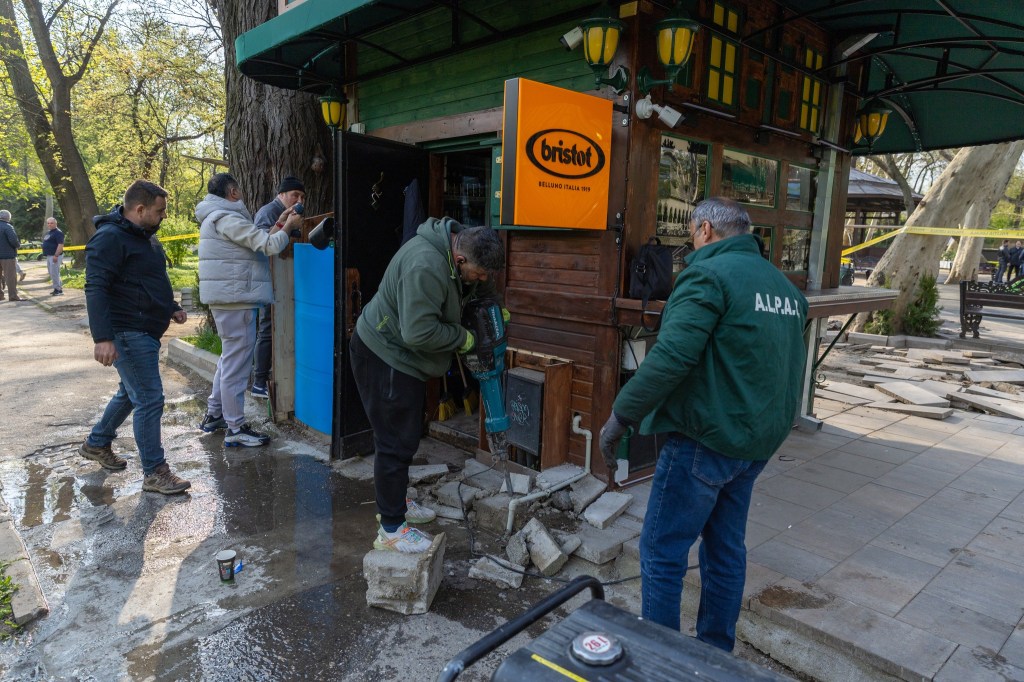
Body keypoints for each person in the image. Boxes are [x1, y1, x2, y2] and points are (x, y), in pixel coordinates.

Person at [599, 197, 808, 652]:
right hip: (754, 444)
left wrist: (621, 416)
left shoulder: (708, 275)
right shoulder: (785, 289)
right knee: (725, 551)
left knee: (662, 550)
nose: (691, 242)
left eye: (692, 233)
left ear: (706, 230)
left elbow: (672, 356)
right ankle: (715, 656)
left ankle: (662, 660)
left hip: (705, 439)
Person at [351, 218, 505, 552]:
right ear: (460, 260)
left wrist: (494, 310)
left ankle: (397, 502)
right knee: (394, 441)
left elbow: (482, 290)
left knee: (406, 436)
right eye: (479, 274)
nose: (482, 279)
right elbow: (418, 332)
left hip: (405, 357)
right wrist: (463, 338)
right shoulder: (425, 265)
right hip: (386, 354)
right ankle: (391, 529)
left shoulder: (463, 250)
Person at [79, 180, 191, 494]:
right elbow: (96, 287)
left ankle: (97, 442)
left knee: (131, 393)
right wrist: (103, 338)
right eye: (160, 210)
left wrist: (171, 306)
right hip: (128, 330)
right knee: (149, 398)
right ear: (140, 209)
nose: (164, 216)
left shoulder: (145, 236)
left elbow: (150, 278)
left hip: (145, 329)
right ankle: (155, 472)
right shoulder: (110, 238)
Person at [196, 173, 302, 447]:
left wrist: (280, 223)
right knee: (237, 366)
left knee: (228, 360)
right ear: (233, 192)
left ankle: (215, 415)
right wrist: (289, 227)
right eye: (239, 189)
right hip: (237, 301)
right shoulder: (227, 219)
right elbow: (269, 246)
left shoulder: (216, 218)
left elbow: (259, 241)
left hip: (230, 300)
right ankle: (235, 428)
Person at [251, 176, 306, 399]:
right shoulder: (268, 212)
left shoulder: (289, 213)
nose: (299, 201)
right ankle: (259, 382)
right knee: (267, 328)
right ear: (281, 194)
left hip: (283, 280)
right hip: (268, 280)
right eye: (295, 195)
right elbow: (263, 246)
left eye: (302, 197)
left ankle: (272, 375)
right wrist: (288, 226)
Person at [0, 210, 21, 302]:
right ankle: (13, 296)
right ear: (8, 218)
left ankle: (0, 296)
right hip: (7, 256)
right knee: (10, 277)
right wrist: (18, 245)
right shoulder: (8, 227)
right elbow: (13, 240)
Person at [42, 217, 65, 296]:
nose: (49, 224)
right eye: (48, 223)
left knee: (54, 273)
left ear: (55, 224)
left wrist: (56, 255)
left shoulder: (58, 233)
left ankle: (57, 290)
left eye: (51, 223)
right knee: (52, 273)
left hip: (55, 255)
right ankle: (59, 288)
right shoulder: (49, 232)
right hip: (49, 255)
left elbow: (60, 245)